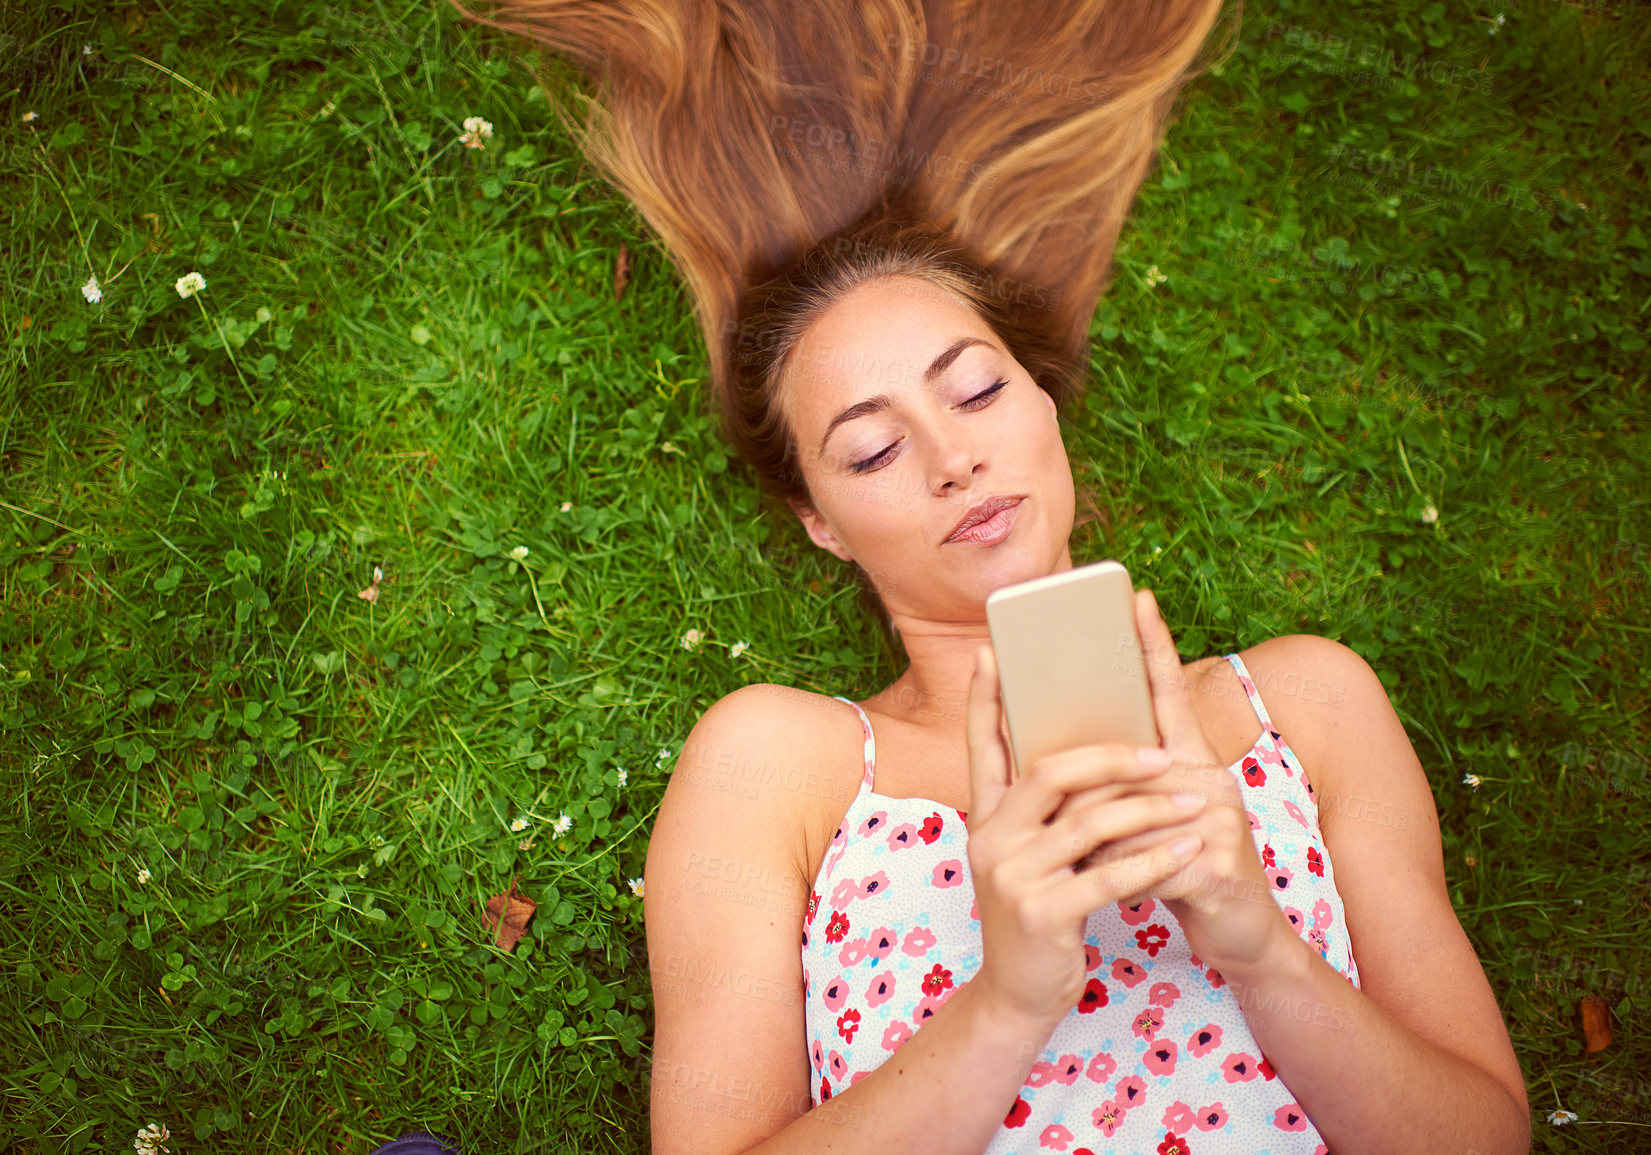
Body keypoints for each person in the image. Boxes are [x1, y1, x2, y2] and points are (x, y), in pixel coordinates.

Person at [454, 2, 1532, 1152]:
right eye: (871, 448)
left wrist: (1258, 944)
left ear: (1044, 402)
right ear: (821, 523)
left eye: (974, 391)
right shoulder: (781, 769)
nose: (952, 457)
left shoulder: (1307, 704)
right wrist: (1007, 999)